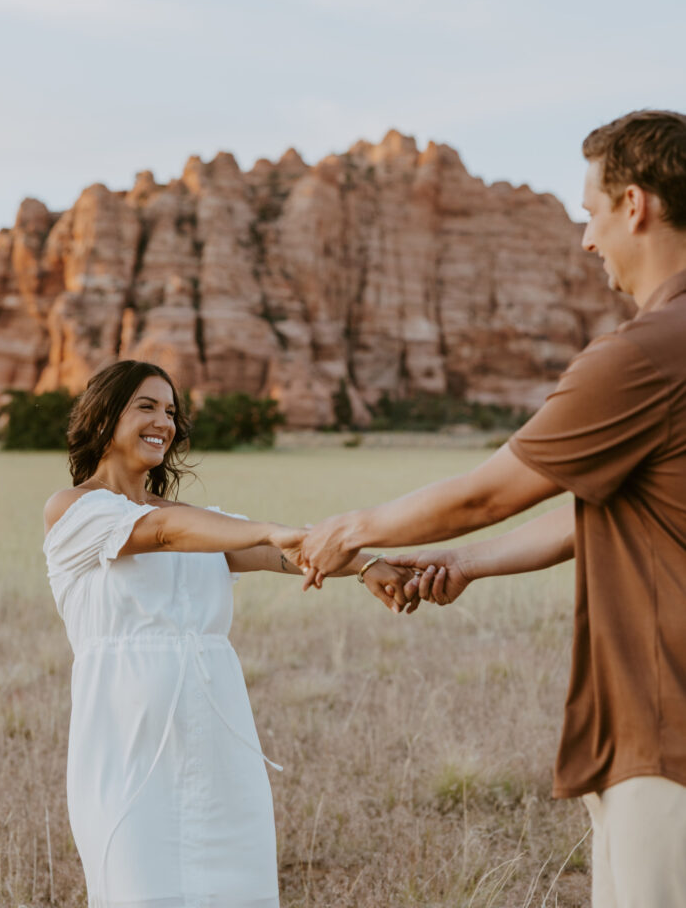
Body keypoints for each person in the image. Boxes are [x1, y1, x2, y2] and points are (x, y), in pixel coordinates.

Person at [293, 111, 686, 908]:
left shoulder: (645, 353)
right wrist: (465, 564)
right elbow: (605, 511)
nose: (586, 240)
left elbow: (487, 492)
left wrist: (350, 531)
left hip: (664, 729)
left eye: (590, 213)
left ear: (635, 206)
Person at [43, 359, 410, 908]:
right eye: (145, 406)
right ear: (102, 415)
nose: (163, 422)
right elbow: (163, 534)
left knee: (234, 891)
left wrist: (363, 563)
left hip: (218, 739)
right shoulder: (75, 510)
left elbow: (272, 552)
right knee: (138, 889)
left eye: (170, 411)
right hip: (127, 745)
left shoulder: (197, 518)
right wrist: (269, 528)